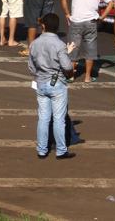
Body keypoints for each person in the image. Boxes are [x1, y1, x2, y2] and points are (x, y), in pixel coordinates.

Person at [27, 13, 77, 160]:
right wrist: (66, 55)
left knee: (43, 118)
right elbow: (67, 66)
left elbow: (31, 67)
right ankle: (61, 150)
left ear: (43, 26)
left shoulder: (34, 43)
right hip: (57, 84)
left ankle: (42, 150)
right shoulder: (59, 44)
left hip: (41, 83)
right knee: (59, 119)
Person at [61, 0, 112, 82]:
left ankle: (70, 76)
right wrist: (101, 17)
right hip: (91, 22)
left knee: (73, 48)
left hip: (76, 21)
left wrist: (67, 14)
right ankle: (88, 77)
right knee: (90, 50)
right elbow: (110, 3)